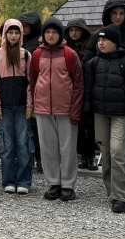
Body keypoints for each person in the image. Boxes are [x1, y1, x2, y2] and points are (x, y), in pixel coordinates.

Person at [86, 0, 125, 190]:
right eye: (114, 13)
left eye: (122, 13)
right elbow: (88, 64)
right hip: (104, 100)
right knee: (111, 146)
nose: (118, 17)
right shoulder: (97, 37)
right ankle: (114, 184)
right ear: (108, 15)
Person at [29, 18, 85, 201]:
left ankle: (68, 185)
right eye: (47, 32)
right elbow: (32, 80)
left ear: (60, 34)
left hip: (66, 109)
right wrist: (35, 103)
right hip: (43, 109)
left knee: (67, 148)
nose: (50, 35)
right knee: (47, 148)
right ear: (43, 34)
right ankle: (54, 183)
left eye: (54, 32)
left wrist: (75, 109)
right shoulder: (37, 55)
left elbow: (78, 84)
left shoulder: (70, 54)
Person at [0, 19, 33, 195]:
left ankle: (24, 181)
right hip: (4, 107)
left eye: (16, 33)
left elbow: (31, 82)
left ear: (20, 35)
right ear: (5, 34)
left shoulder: (26, 55)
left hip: (22, 106)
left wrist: (30, 104)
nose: (13, 36)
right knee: (6, 145)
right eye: (10, 32)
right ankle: (8, 180)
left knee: (23, 143)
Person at [65, 19, 96, 171]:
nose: (74, 33)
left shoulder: (91, 49)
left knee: (90, 126)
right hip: (70, 92)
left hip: (88, 91)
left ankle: (90, 156)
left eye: (77, 30)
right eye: (71, 30)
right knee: (75, 125)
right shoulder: (65, 49)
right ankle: (81, 155)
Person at [19, 11, 44, 172]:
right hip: (19, 88)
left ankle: (41, 159)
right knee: (25, 129)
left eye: (28, 26)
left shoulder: (38, 43)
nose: (25, 28)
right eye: (23, 26)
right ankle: (29, 159)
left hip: (35, 88)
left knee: (36, 128)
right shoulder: (18, 41)